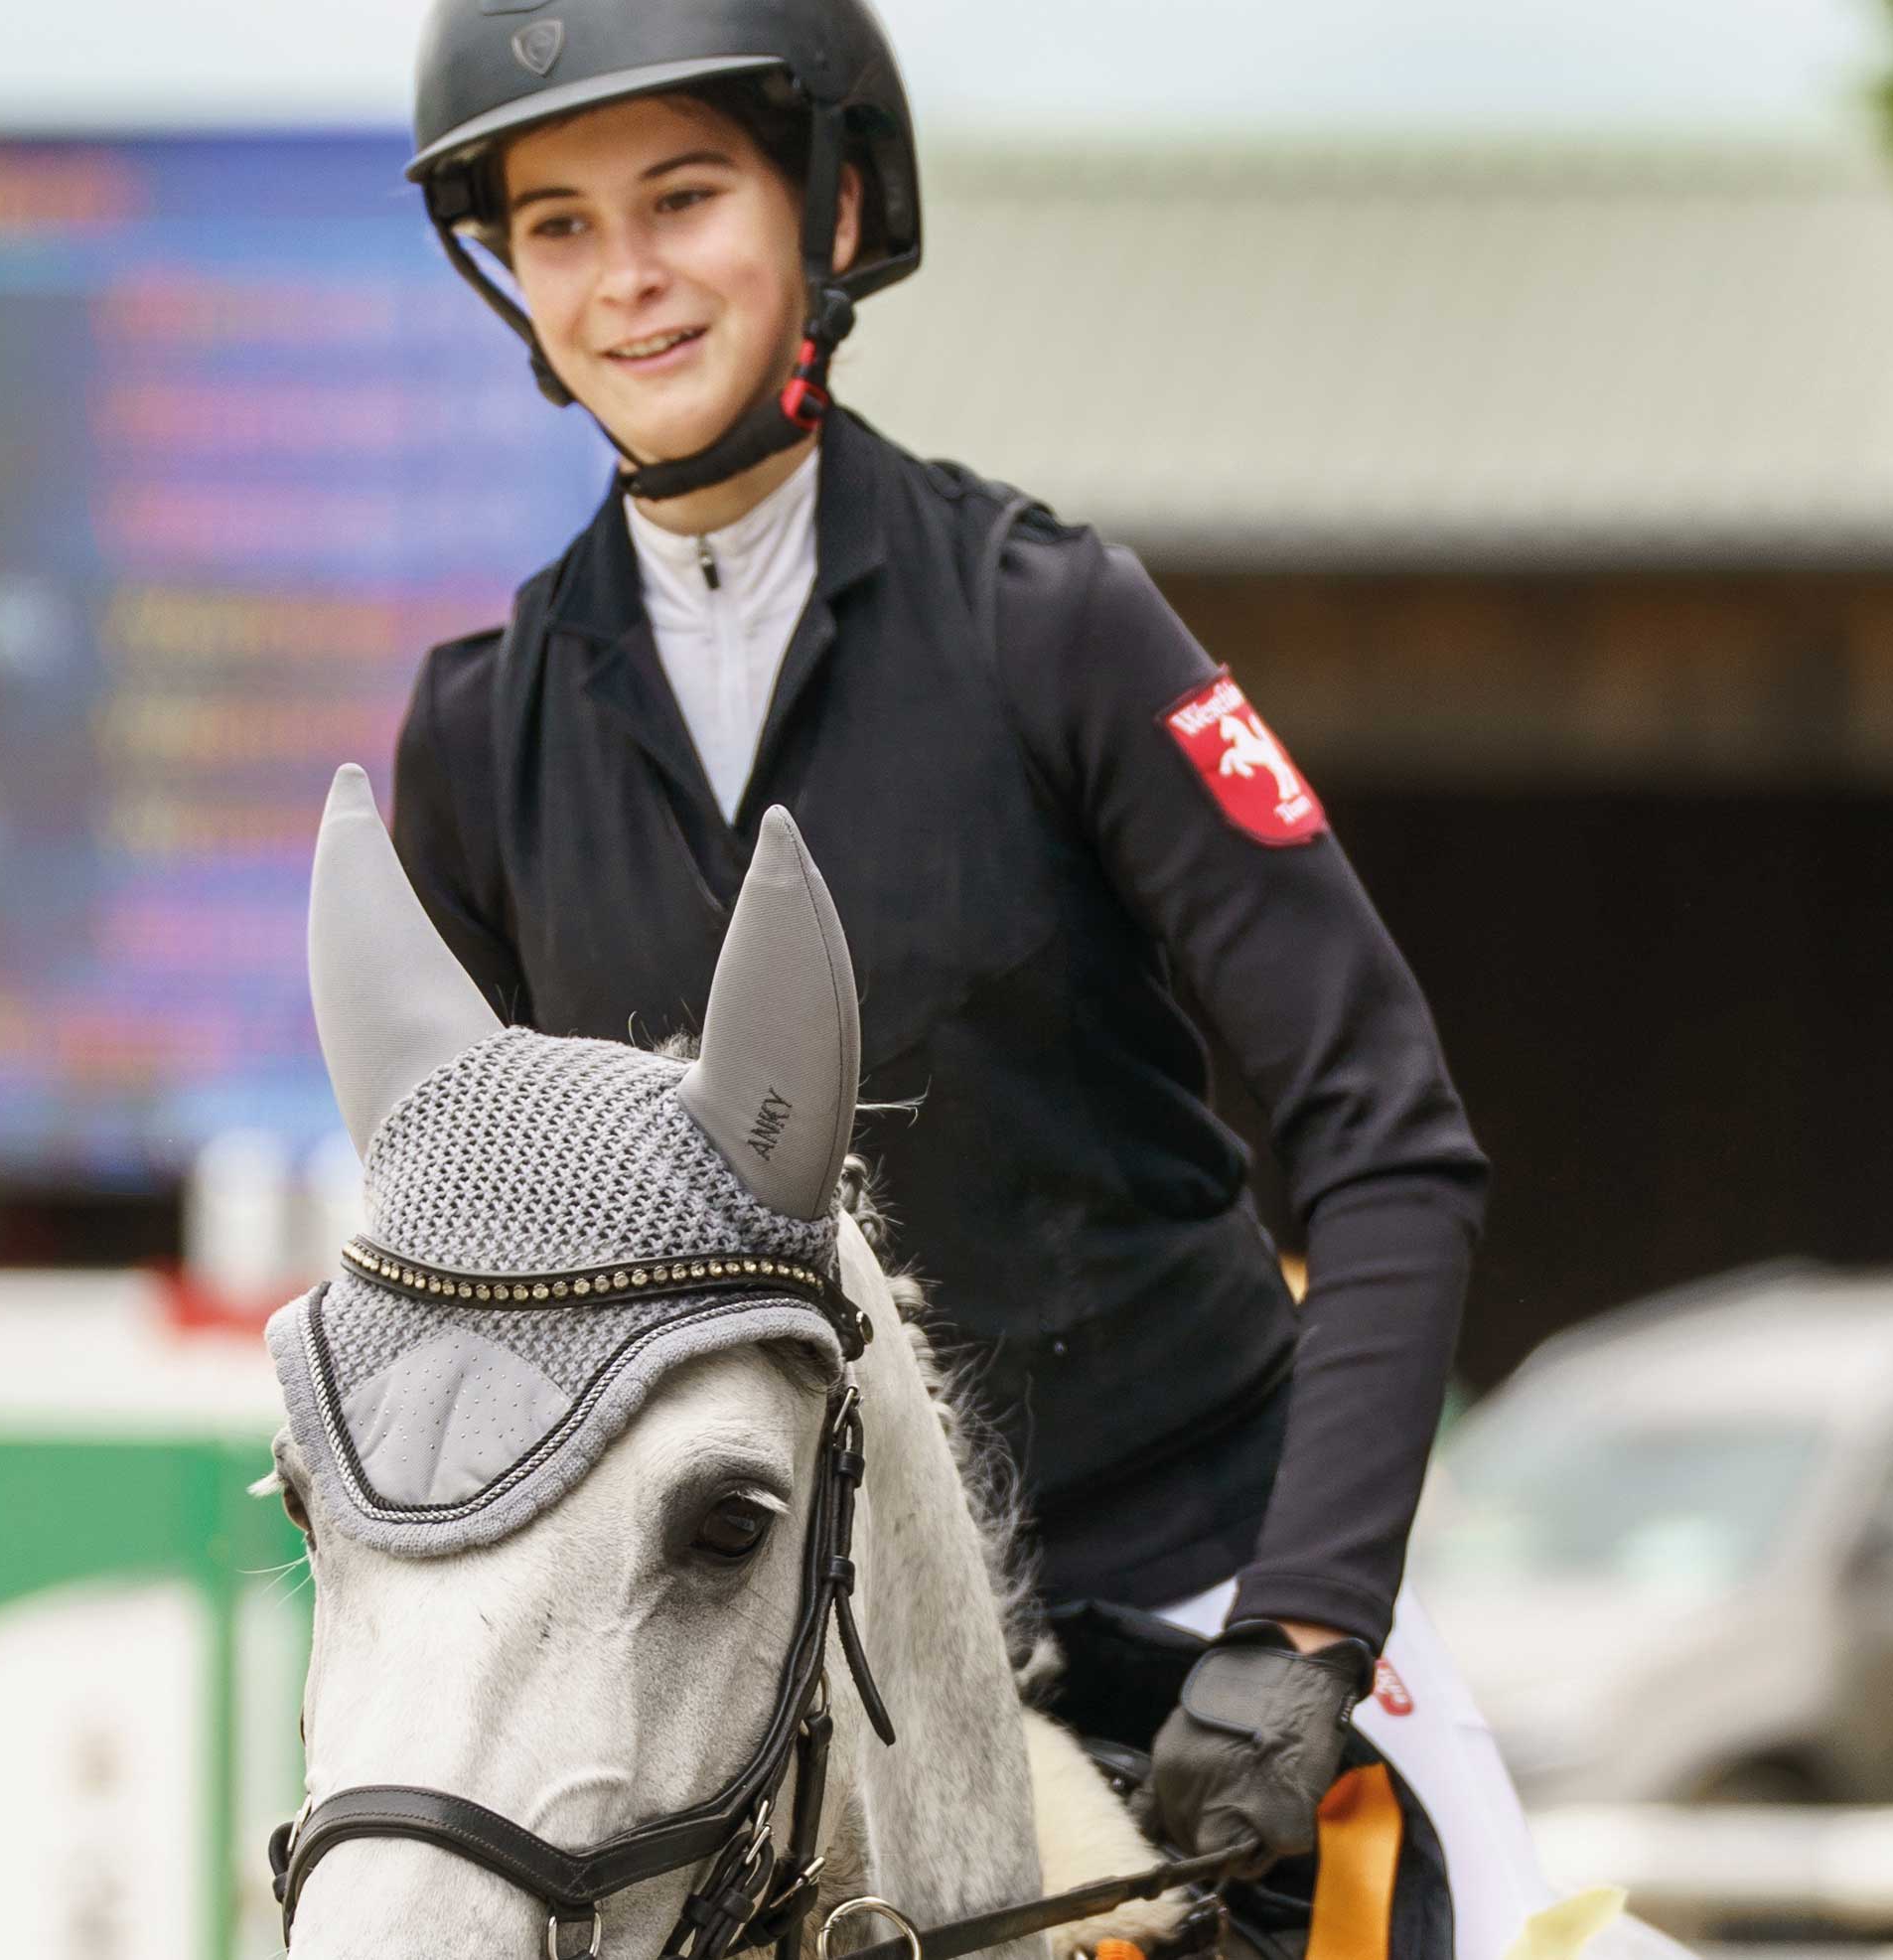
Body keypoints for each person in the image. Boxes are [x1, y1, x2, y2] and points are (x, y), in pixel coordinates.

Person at [379, 7, 1608, 1957]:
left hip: (1203, 1608)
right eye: (556, 227)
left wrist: (1304, 1627)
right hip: (764, 1675)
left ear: (829, 197)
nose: (623, 278)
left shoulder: (1057, 627)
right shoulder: (475, 742)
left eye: (682, 196)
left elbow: (1390, 1139)